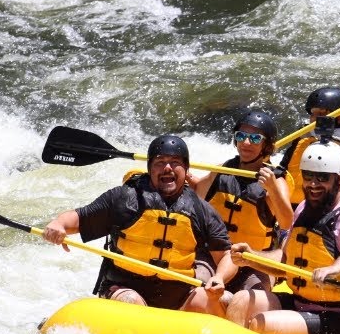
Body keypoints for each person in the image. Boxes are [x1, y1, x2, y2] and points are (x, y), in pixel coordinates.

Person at [41, 134, 237, 315]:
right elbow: (77, 218)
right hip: (125, 287)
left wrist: (219, 277)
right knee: (131, 301)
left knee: (223, 300)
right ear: (150, 168)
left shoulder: (201, 210)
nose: (167, 168)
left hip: (178, 295)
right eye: (160, 162)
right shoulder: (124, 198)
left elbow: (226, 256)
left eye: (175, 163)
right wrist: (59, 224)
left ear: (186, 170)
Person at [226, 140, 340, 334]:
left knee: (263, 323)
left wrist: (336, 268)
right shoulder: (304, 208)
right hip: (301, 303)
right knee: (241, 301)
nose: (313, 184)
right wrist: (251, 257)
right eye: (308, 176)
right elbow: (286, 261)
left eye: (322, 178)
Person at [189, 109, 293, 293]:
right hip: (215, 254)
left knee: (252, 294)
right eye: (241, 136)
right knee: (195, 287)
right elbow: (197, 193)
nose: (246, 143)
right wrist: (184, 176)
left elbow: (287, 222)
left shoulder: (275, 180)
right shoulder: (223, 169)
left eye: (255, 138)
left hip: (253, 261)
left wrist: (272, 190)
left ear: (266, 145)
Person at [280, 86, 340, 204]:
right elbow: (283, 170)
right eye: (312, 114)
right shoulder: (302, 136)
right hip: (298, 207)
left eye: (321, 113)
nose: (314, 119)